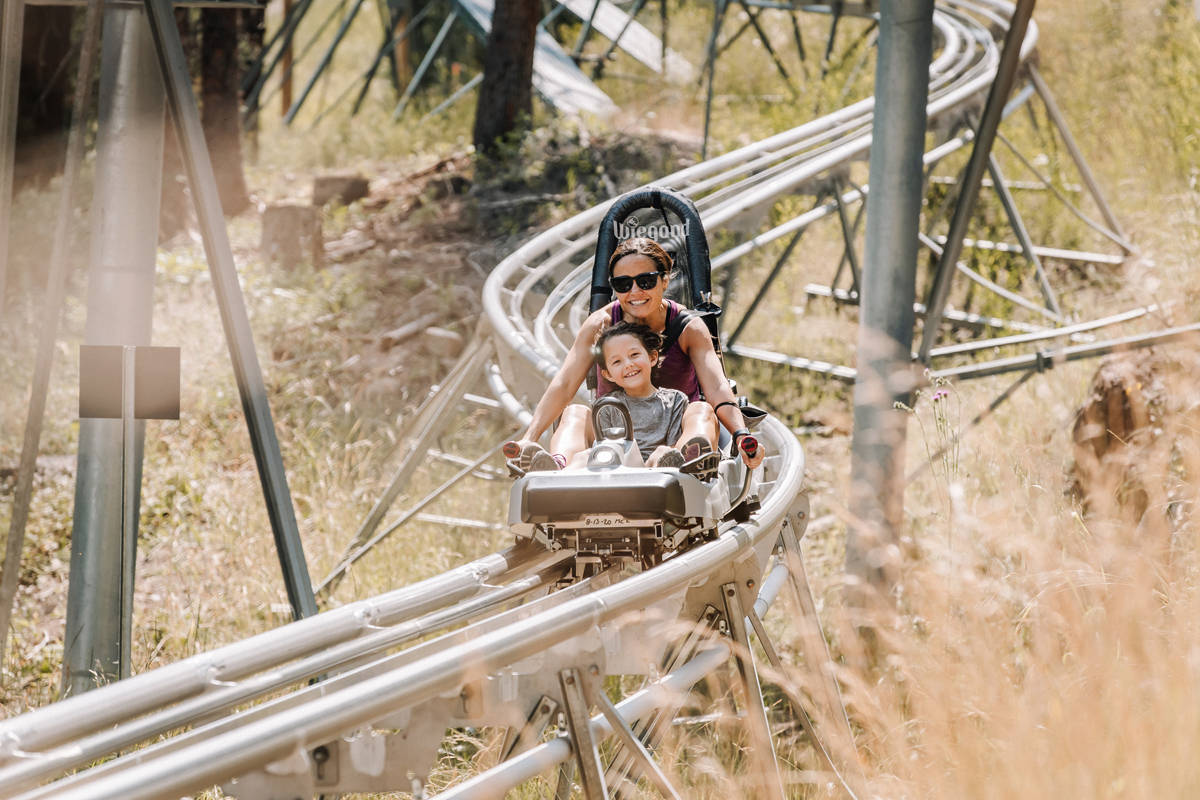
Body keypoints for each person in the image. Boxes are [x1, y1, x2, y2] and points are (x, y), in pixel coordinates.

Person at [509, 236, 765, 471]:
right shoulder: (601, 324)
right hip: (614, 437)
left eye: (646, 281)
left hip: (673, 433)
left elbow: (718, 388)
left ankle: (684, 461)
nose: (634, 292)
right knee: (575, 412)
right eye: (623, 284)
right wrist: (528, 438)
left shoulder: (689, 328)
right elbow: (564, 385)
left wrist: (741, 434)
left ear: (665, 280)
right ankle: (557, 466)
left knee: (701, 410)